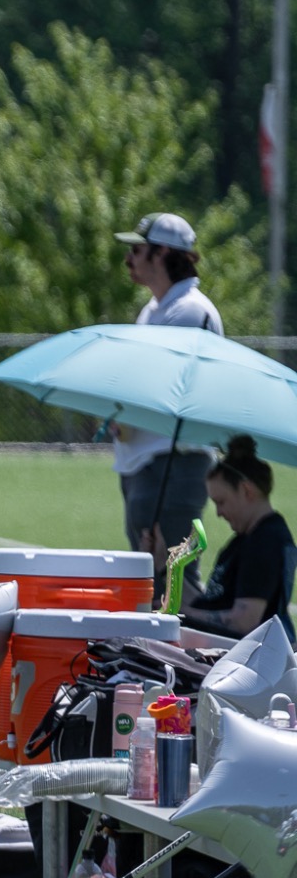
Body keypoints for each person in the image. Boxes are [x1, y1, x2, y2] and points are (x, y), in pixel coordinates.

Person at [112, 212, 225, 596]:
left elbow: (166, 390)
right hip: (148, 461)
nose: (129, 258)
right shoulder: (156, 310)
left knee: (174, 580)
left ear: (162, 254)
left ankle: (203, 652)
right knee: (152, 580)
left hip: (173, 463)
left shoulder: (190, 311)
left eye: (137, 249)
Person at [182, 436, 295, 640]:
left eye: (221, 501)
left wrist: (181, 615)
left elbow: (244, 621)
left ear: (246, 490)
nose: (218, 512)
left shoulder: (265, 541)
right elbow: (211, 601)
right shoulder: (245, 539)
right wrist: (165, 565)